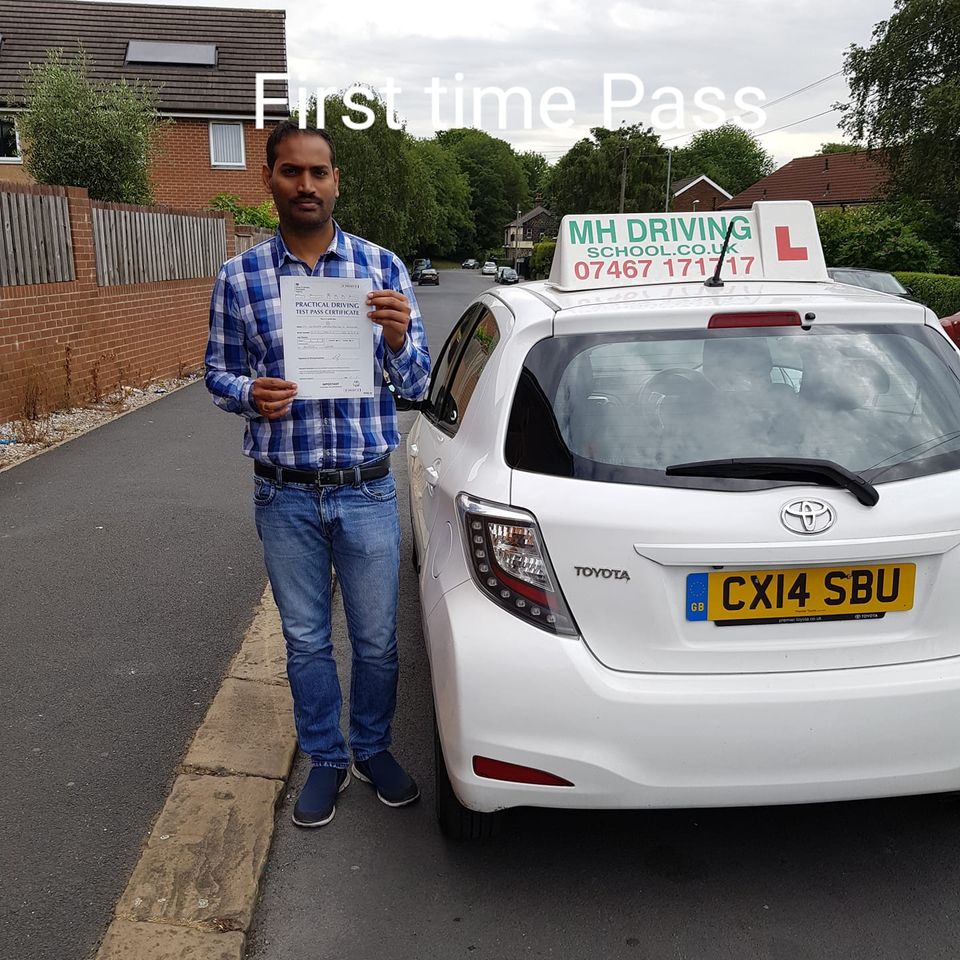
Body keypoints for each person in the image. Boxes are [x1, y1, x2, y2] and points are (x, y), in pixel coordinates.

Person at [204, 120, 431, 828]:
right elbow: (216, 373)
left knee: (376, 641)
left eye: (319, 172)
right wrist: (249, 393)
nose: (306, 184)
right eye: (292, 171)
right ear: (270, 179)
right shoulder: (239, 276)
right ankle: (327, 757)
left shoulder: (381, 268)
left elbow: (417, 383)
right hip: (285, 493)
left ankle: (372, 748)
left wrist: (397, 338)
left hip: (366, 488)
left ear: (336, 181)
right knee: (305, 641)